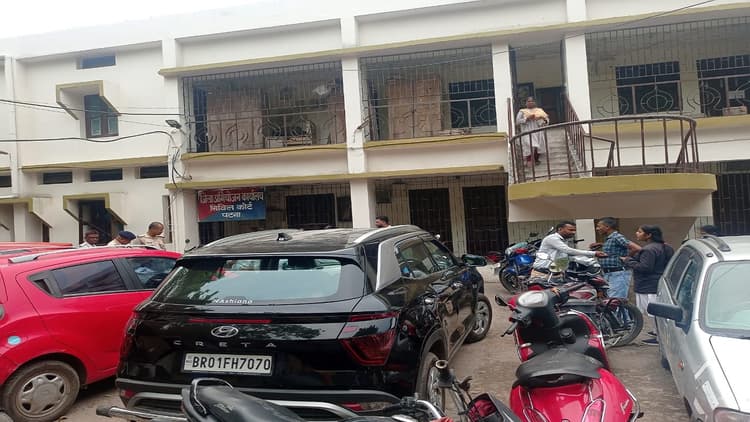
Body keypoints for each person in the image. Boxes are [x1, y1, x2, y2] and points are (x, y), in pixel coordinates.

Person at [621, 224, 674, 345]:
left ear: (648, 235)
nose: (637, 233)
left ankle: (660, 336)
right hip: (658, 283)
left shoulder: (649, 250)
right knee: (657, 311)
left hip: (647, 285)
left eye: (640, 232)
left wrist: (628, 260)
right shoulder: (666, 247)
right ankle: (658, 332)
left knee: (651, 312)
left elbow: (645, 267)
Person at [531, 221, 607, 276]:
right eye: (570, 230)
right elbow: (568, 250)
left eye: (574, 230)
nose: (573, 232)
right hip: (543, 271)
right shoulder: (552, 238)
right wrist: (593, 253)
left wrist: (585, 258)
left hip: (556, 270)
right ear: (560, 229)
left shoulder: (564, 240)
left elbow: (567, 255)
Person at [590, 217, 641, 299]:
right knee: (611, 299)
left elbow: (636, 248)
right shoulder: (610, 238)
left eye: (599, 226)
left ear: (607, 227)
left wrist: (627, 258)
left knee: (615, 299)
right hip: (609, 273)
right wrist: (602, 244)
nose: (597, 228)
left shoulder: (617, 237)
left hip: (618, 273)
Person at [516, 96, 549, 165]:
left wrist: (542, 118)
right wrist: (527, 119)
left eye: (532, 101)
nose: (530, 102)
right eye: (529, 101)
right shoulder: (522, 111)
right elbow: (518, 121)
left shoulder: (539, 110)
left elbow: (546, 120)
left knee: (538, 145)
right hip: (527, 131)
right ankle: (529, 160)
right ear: (526, 103)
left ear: (535, 102)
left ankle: (536, 160)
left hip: (538, 130)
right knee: (529, 145)